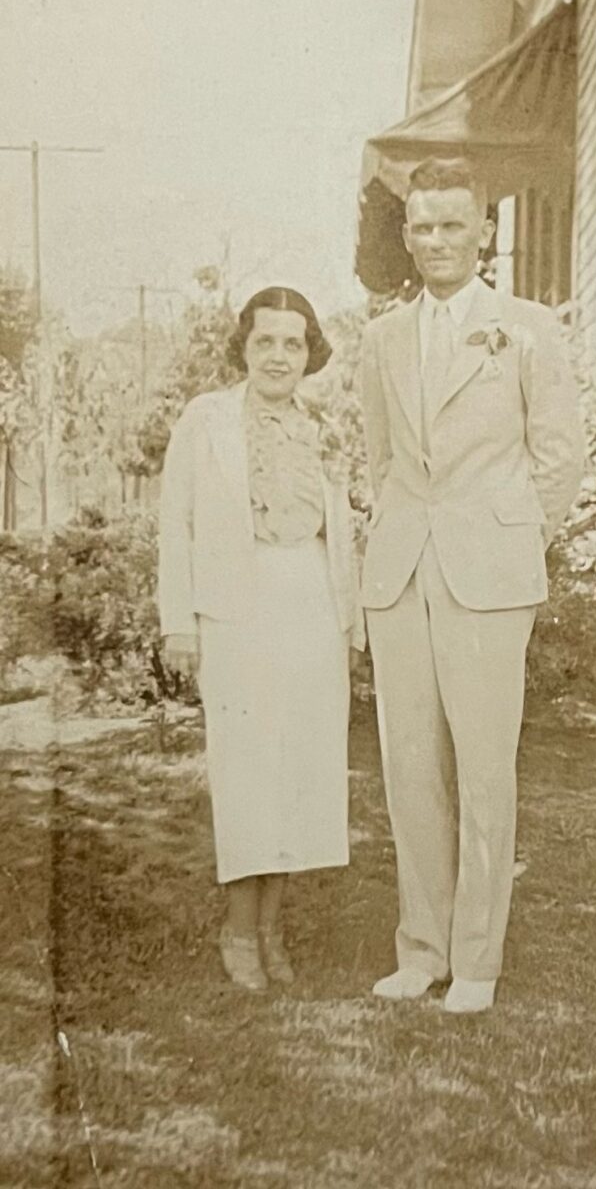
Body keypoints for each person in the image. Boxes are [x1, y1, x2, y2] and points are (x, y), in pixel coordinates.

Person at [361, 157, 584, 1013]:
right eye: (423, 226)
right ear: (407, 234)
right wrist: (400, 536)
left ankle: (477, 961)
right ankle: (422, 949)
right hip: (402, 571)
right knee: (409, 765)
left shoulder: (525, 328)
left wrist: (511, 538)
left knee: (486, 769)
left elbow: (559, 457)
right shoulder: (383, 337)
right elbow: (383, 459)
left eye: (453, 224)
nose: (437, 241)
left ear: (484, 231)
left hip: (489, 574)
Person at [158, 286, 364, 993]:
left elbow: (342, 533)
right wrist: (178, 621)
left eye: (293, 343)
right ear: (243, 348)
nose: (279, 356)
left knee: (302, 768)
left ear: (311, 353)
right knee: (247, 767)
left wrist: (351, 621)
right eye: (265, 341)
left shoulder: (323, 426)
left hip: (311, 601)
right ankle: (239, 928)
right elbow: (177, 523)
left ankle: (273, 928)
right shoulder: (207, 419)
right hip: (235, 606)